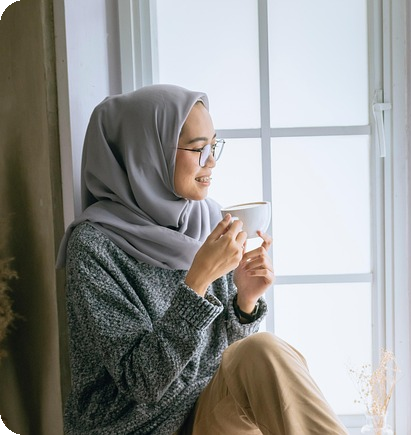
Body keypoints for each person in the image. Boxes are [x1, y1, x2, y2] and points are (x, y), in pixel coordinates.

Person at [56, 84, 348, 435]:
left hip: (204, 413)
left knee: (262, 350)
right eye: (198, 148)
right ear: (146, 155)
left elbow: (226, 358)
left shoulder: (205, 220)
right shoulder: (94, 246)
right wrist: (197, 281)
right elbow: (142, 384)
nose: (211, 161)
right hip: (138, 427)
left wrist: (244, 302)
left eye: (213, 146)